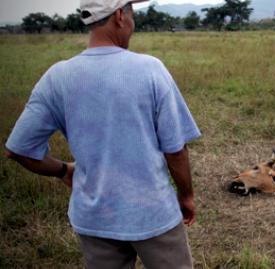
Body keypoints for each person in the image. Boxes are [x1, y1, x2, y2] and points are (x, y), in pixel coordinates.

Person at [4, 0, 201, 268]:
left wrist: (63, 170)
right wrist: (186, 196)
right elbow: (176, 150)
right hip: (153, 215)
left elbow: (18, 149)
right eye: (131, 13)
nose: (133, 23)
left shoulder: (57, 77)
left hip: (95, 220)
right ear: (120, 16)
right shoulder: (150, 69)